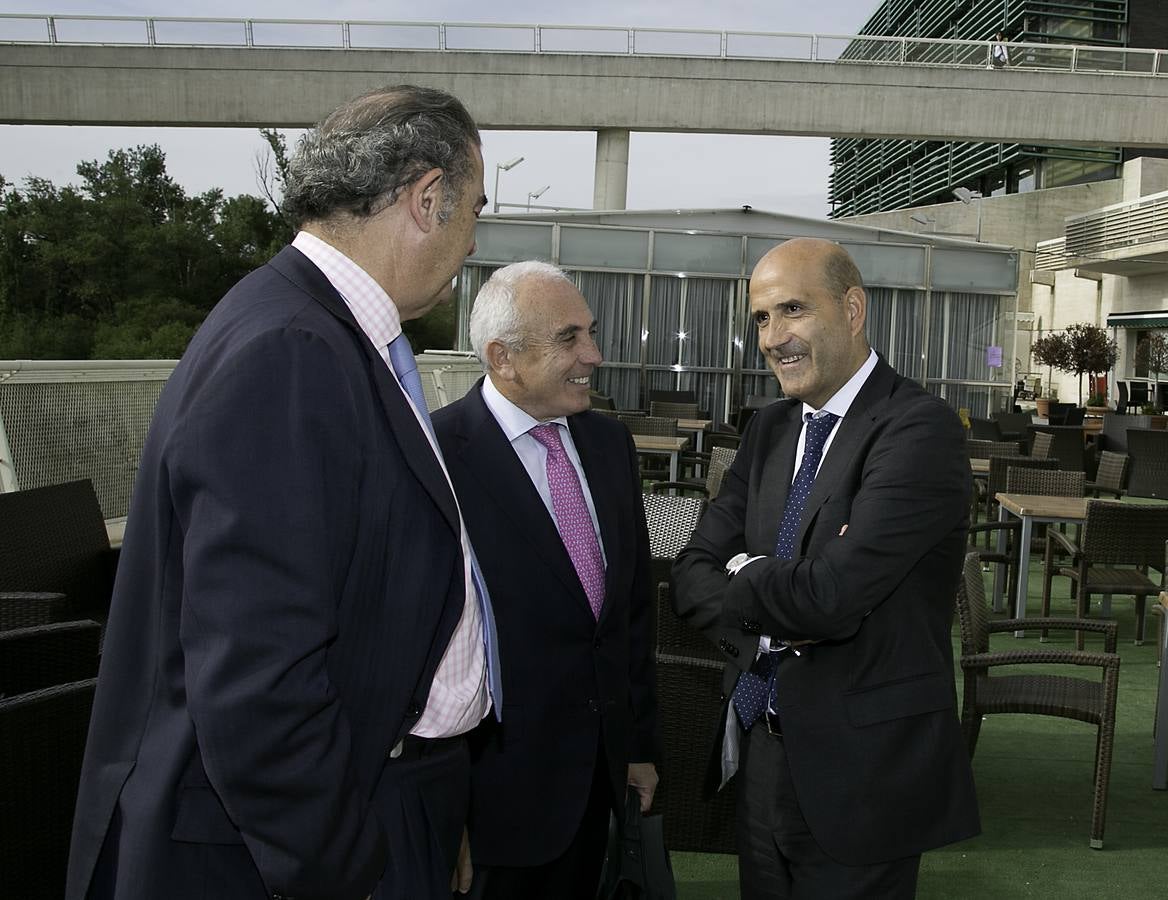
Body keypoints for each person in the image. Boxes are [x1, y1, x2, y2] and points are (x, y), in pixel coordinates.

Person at [65, 84, 500, 900]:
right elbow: (259, 682)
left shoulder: (322, 331)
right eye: (477, 208)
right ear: (427, 198)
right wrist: (348, 866)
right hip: (296, 848)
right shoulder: (292, 351)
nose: (475, 241)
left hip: (381, 795)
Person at [672, 238, 979, 899]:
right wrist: (776, 584)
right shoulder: (769, 428)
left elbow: (831, 596)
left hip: (863, 774)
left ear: (852, 308)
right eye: (760, 318)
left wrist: (746, 571)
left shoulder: (919, 430)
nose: (773, 337)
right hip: (760, 749)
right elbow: (691, 572)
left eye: (792, 310)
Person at [431, 261, 659, 900]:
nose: (594, 354)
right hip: (492, 809)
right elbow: (427, 652)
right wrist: (449, 808)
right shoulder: (438, 458)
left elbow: (631, 613)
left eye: (589, 332)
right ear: (503, 357)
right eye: (569, 339)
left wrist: (637, 744)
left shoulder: (610, 445)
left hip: (595, 790)